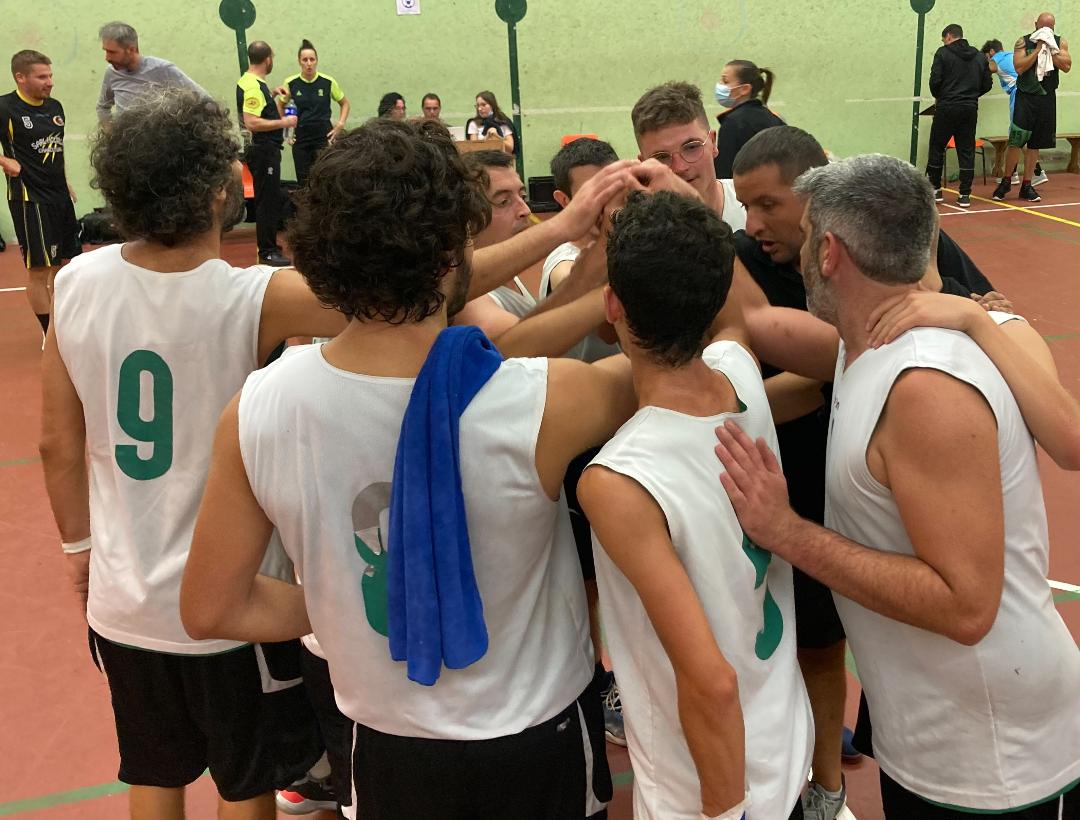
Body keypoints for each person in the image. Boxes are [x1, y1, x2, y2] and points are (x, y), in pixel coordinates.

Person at [179, 116, 642, 820]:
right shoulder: (544, 397)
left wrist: (355, 600)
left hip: (385, 742)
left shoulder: (258, 407)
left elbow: (211, 607)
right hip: (534, 733)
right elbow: (695, 367)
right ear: (455, 253)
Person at [715, 153, 1080, 819]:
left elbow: (966, 607)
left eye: (806, 236)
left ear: (829, 252)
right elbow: (758, 324)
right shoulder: (859, 346)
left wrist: (787, 532)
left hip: (996, 760)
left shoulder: (924, 388)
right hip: (932, 737)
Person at [39, 90, 345, 820]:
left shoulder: (76, 282)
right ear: (216, 191)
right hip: (236, 600)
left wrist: (79, 548)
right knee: (245, 784)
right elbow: (405, 298)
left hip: (124, 602)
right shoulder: (253, 295)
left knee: (154, 773)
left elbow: (57, 441)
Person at [579, 190, 812, 820]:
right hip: (782, 749)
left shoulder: (619, 478)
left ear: (612, 305)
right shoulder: (739, 370)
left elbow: (711, 682)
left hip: (708, 792)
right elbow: (735, 321)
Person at [0, 50, 80, 335]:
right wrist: (3, 160)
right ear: (20, 77)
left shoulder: (55, 107)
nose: (50, 82)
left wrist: (65, 180)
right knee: (39, 270)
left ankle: (63, 324)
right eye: (42, 76)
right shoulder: (6, 108)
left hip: (60, 197)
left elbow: (56, 149)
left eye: (50, 75)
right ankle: (50, 334)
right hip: (30, 199)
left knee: (65, 265)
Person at [630, 82, 746, 231]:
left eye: (691, 147)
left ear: (713, 143)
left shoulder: (753, 206)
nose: (680, 167)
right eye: (662, 157)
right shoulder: (636, 232)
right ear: (644, 165)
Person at [992, 13, 1071, 202]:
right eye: (1042, 27)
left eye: (1049, 27)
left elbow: (1066, 66)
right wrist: (1037, 50)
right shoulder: (1023, 42)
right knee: (1017, 140)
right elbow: (1019, 67)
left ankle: (1027, 185)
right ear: (1035, 25)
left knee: (1036, 143)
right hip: (1025, 97)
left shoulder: (1059, 43)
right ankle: (1006, 181)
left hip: (1046, 98)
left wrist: (1051, 49)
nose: (1045, 30)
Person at [237, 40, 294, 267]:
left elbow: (258, 108)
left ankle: (269, 245)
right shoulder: (252, 86)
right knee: (266, 201)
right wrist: (284, 122)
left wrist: (272, 93)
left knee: (269, 198)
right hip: (263, 151)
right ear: (268, 59)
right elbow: (252, 122)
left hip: (266, 151)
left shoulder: (253, 83)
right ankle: (267, 251)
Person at [926, 24, 992, 208]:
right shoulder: (979, 56)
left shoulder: (943, 53)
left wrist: (942, 95)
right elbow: (987, 84)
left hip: (947, 107)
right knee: (966, 150)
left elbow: (935, 82)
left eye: (943, 39)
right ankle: (964, 194)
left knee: (937, 146)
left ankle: (936, 190)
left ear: (948, 36)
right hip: (969, 108)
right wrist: (971, 95)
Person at [96, 21, 207, 125]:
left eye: (112, 52)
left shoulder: (163, 69)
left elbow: (204, 100)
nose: (107, 58)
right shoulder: (111, 73)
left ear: (131, 49)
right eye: (106, 51)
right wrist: (110, 132)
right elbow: (102, 107)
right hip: (126, 139)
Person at [277, 39, 350, 188]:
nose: (309, 63)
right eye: (305, 60)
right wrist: (286, 131)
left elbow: (345, 103)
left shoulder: (328, 82)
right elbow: (280, 105)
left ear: (317, 61)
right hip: (301, 139)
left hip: (323, 137)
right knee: (304, 183)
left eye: (312, 59)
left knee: (325, 181)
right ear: (299, 62)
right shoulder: (290, 83)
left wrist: (340, 125)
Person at [980, 40, 1048, 186]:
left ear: (991, 52)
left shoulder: (997, 58)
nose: (988, 60)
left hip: (1018, 95)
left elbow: (988, 68)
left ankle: (1037, 172)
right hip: (1029, 94)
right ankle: (1013, 174)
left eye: (987, 57)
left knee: (1017, 136)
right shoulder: (1012, 56)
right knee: (1018, 135)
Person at [712, 59, 784, 179]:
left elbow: (725, 172)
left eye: (725, 81)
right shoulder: (775, 118)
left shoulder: (733, 123)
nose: (719, 85)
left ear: (744, 89)